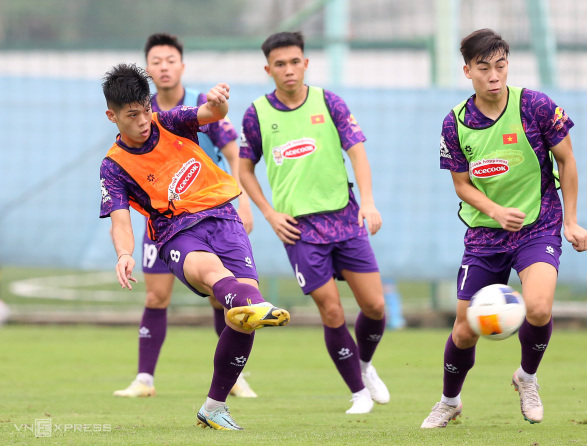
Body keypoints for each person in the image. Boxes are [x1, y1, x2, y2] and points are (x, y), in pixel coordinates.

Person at [100, 63, 290, 431]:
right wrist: (124, 253)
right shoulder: (114, 166)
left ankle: (214, 406)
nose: (143, 121)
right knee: (218, 278)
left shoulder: (169, 121)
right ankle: (249, 303)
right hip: (177, 232)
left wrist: (218, 103)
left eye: (146, 110)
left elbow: (210, 114)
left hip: (224, 218)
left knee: (243, 316)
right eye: (132, 115)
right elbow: (121, 221)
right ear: (112, 115)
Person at [420, 28, 587, 428]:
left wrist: (571, 220)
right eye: (484, 68)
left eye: (501, 66)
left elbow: (566, 161)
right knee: (464, 331)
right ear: (467, 71)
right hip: (485, 235)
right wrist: (495, 210)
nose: (494, 76)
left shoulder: (535, 106)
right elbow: (462, 185)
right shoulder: (456, 123)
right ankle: (449, 401)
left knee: (539, 307)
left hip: (539, 224)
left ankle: (526, 378)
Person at [239, 31, 389, 415]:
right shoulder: (257, 113)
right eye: (280, 64)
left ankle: (365, 364)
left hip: (345, 217)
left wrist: (368, 203)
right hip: (300, 231)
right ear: (268, 69)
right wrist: (269, 213)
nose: (288, 70)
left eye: (294, 62)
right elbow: (244, 168)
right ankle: (358, 394)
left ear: (305, 63)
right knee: (332, 312)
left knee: (374, 307)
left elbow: (357, 152)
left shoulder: (329, 102)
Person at [113, 33, 257, 400]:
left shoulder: (186, 109)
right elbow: (119, 217)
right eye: (157, 61)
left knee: (221, 293)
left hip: (212, 210)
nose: (164, 67)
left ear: (182, 65)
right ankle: (145, 378)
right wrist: (123, 252)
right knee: (156, 297)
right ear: (148, 69)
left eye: (170, 60)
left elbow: (226, 136)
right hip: (166, 223)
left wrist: (242, 199)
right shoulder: (117, 157)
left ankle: (231, 376)